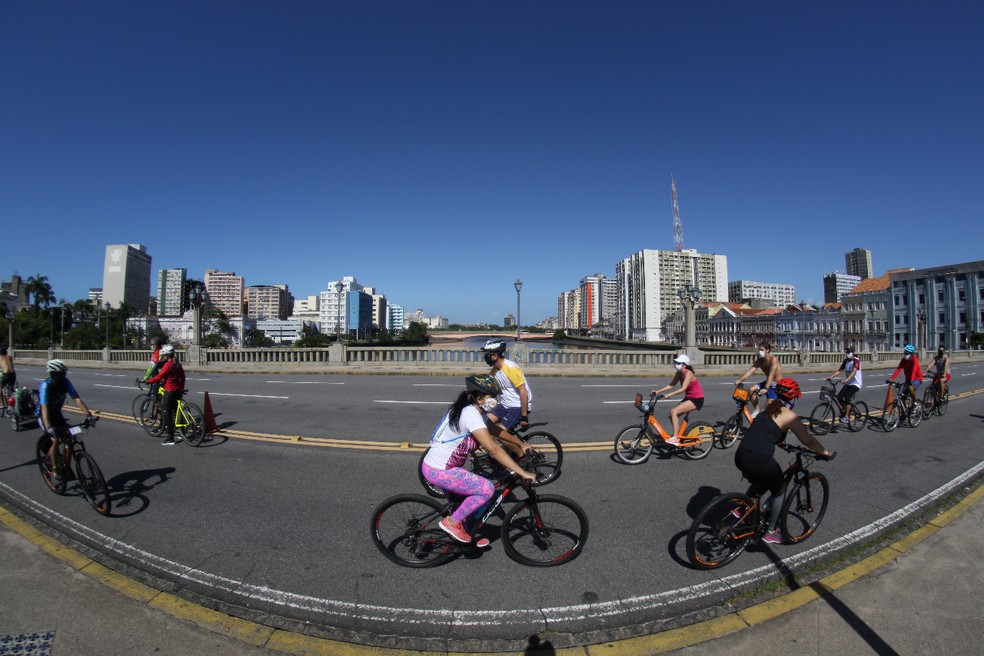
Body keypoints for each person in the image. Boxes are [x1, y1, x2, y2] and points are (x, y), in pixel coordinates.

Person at [420, 374, 537, 545]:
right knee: (486, 489)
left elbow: (495, 431)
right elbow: (494, 449)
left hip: (436, 465)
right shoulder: (470, 415)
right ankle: (452, 523)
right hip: (441, 470)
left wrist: (520, 444)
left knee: (461, 503)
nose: (495, 401)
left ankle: (462, 536)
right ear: (479, 398)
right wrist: (521, 472)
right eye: (492, 397)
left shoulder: (473, 410)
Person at [734, 377, 834, 545]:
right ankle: (771, 531)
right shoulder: (789, 416)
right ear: (793, 398)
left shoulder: (767, 409)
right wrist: (825, 452)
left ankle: (742, 507)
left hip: (741, 455)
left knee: (765, 478)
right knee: (779, 489)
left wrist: (781, 442)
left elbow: (766, 431)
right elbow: (808, 440)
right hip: (758, 458)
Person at [39, 360, 93, 483]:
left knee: (70, 436)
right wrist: (49, 428)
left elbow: (76, 398)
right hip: (44, 415)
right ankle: (55, 467)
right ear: (53, 374)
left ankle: (64, 463)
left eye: (64, 373)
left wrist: (88, 415)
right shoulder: (46, 385)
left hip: (56, 413)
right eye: (60, 374)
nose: (63, 376)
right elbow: (44, 409)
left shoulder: (65, 382)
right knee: (56, 439)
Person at [480, 339, 534, 458]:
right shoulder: (495, 370)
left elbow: (523, 392)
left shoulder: (511, 368)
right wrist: (478, 404)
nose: (485, 357)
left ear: (495, 355)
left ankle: (522, 457)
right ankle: (496, 454)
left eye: (487, 355)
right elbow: (490, 391)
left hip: (517, 406)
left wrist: (524, 416)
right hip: (505, 405)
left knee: (500, 433)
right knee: (482, 423)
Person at [650, 354, 704, 445]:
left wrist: (669, 395)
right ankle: (678, 435)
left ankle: (675, 438)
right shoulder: (679, 373)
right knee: (671, 415)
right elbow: (671, 385)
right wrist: (658, 391)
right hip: (689, 398)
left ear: (684, 365)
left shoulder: (688, 373)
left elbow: (683, 388)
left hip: (696, 399)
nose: (676, 364)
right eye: (676, 362)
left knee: (674, 411)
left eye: (679, 363)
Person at [144, 344, 186, 446]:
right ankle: (182, 432)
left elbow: (159, 376)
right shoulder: (177, 364)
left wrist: (149, 381)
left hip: (169, 391)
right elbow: (183, 377)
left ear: (167, 355)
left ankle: (170, 438)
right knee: (177, 412)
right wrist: (181, 388)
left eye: (164, 356)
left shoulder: (168, 365)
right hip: (177, 391)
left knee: (166, 413)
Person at [735, 341, 782, 416]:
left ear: (768, 350)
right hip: (768, 382)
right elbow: (750, 372)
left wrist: (766, 388)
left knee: (767, 410)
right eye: (759, 350)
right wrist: (739, 380)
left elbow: (771, 375)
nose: (760, 352)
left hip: (776, 385)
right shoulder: (760, 361)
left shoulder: (773, 359)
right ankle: (757, 409)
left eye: (762, 350)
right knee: (751, 390)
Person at [828, 346, 863, 424]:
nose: (847, 354)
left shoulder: (856, 361)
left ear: (853, 353)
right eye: (846, 353)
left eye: (849, 353)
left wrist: (846, 380)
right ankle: (846, 408)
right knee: (839, 396)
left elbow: (854, 372)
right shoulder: (846, 361)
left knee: (847, 397)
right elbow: (840, 370)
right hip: (849, 383)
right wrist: (830, 377)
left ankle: (847, 417)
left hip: (856, 383)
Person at [0, 346, 15, 416]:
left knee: (0, 387)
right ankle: (12, 403)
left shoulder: (0, 358)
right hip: (13, 375)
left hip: (6, 375)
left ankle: (2, 404)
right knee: (11, 390)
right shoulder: (10, 357)